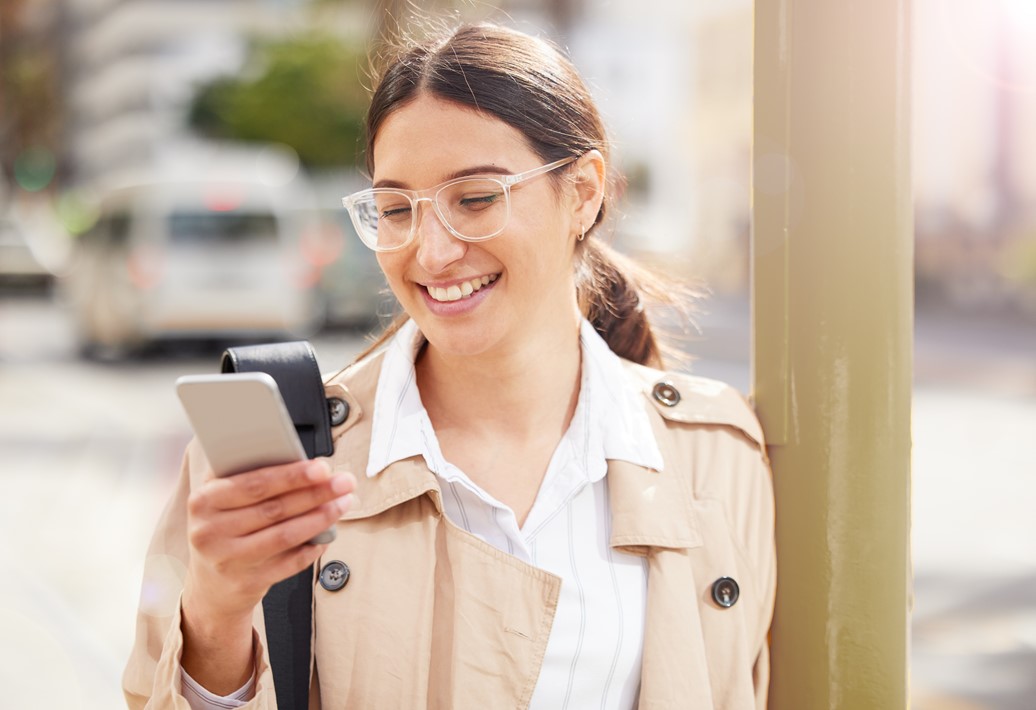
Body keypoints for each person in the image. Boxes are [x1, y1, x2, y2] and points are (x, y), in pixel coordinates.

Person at [123, 21, 776, 710]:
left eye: (475, 199)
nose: (431, 254)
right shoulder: (274, 463)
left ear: (583, 193)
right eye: (397, 208)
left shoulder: (715, 452)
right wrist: (218, 613)